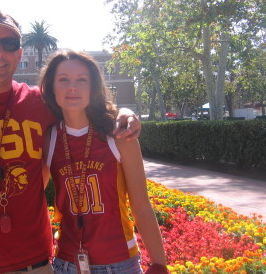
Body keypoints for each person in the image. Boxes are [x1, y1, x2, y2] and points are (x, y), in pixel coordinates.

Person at [0, 9, 141, 274]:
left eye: (9, 44)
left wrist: (124, 113)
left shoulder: (40, 104)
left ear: (19, 54)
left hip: (34, 262)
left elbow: (85, 107)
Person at [39, 50, 170, 274]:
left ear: (94, 87)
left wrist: (159, 264)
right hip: (66, 263)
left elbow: (142, 206)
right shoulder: (48, 139)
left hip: (119, 264)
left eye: (82, 80)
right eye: (63, 80)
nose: (73, 87)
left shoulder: (119, 134)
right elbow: (31, 201)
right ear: (52, 87)